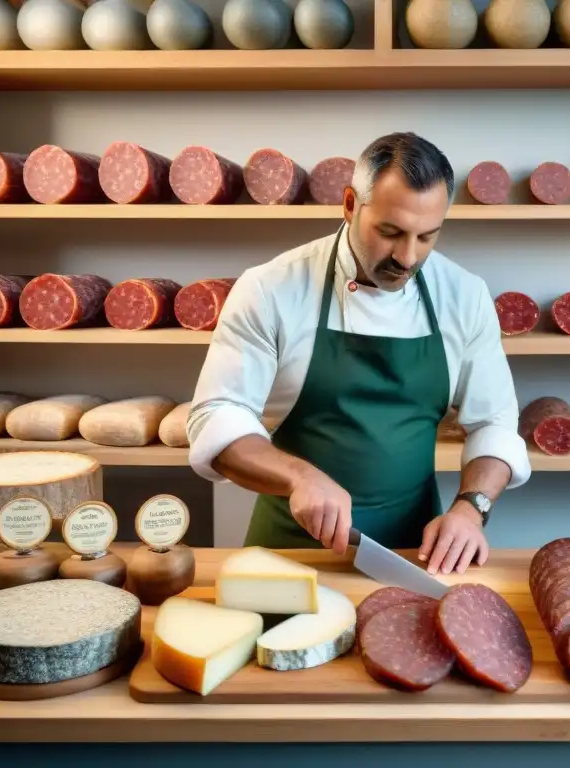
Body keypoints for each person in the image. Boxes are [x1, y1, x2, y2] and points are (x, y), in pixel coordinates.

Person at [186, 132, 531, 575]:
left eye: (427, 237)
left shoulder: (464, 295)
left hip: (416, 554)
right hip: (292, 553)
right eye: (390, 232)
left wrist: (471, 508)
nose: (407, 257)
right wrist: (300, 477)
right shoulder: (271, 288)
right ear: (350, 204)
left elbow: (494, 422)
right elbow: (215, 415)